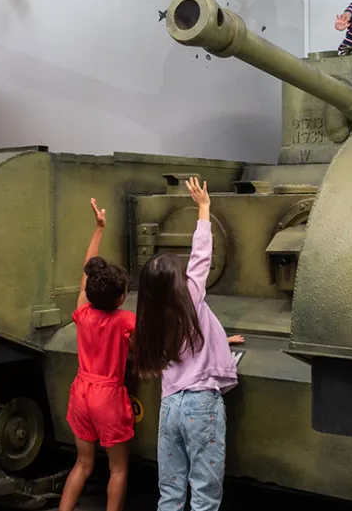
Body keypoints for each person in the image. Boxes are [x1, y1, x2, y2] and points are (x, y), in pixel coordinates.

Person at [134, 177, 243, 511]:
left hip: (170, 408)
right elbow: (201, 257)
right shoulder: (191, 298)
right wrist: (204, 208)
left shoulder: (149, 320)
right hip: (201, 406)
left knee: (170, 491)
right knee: (204, 494)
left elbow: (181, 342)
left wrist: (218, 338)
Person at [59, 198, 136, 511]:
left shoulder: (82, 312)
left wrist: (99, 229)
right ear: (119, 299)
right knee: (118, 468)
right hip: (108, 397)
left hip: (81, 393)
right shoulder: (124, 321)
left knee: (83, 464)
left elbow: (86, 273)